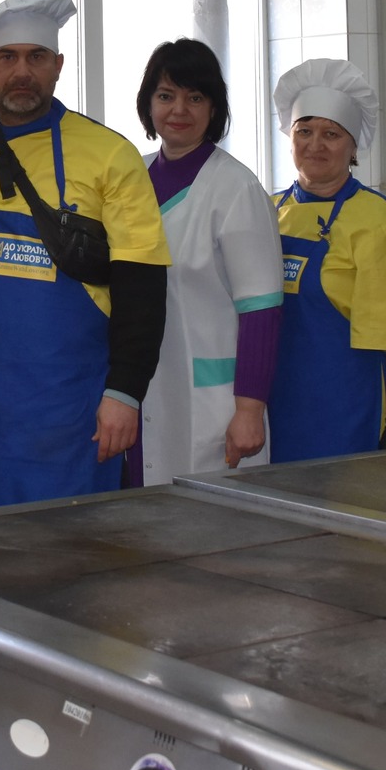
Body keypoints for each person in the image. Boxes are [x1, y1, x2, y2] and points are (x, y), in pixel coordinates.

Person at [0, 0, 170, 507]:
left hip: (77, 409)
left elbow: (142, 286)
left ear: (59, 66)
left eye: (37, 57)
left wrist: (125, 392)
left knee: (76, 545)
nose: (22, 72)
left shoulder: (109, 154)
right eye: (7, 57)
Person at [133, 39, 284, 484]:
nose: (179, 109)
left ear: (214, 108)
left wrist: (249, 410)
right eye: (166, 95)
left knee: (212, 518)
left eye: (195, 97)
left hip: (216, 401)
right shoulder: (130, 179)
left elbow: (261, 309)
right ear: (148, 104)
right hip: (140, 392)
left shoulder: (236, 189)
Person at [267, 59, 386, 461]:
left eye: (331, 134)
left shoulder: (379, 222)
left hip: (346, 411)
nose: (315, 145)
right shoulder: (266, 211)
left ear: (353, 147)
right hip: (270, 409)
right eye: (304, 131)